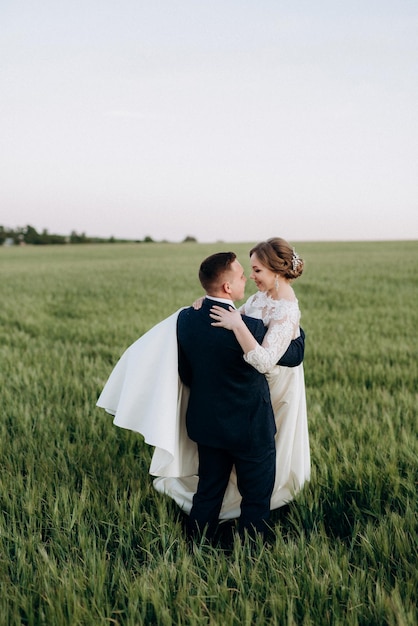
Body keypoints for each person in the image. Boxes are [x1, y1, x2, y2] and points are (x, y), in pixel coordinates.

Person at [176, 251, 302, 540]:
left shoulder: (185, 318)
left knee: (208, 491)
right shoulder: (253, 328)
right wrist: (296, 325)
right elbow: (294, 355)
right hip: (250, 427)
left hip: (207, 423)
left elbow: (186, 372)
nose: (247, 277)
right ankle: (251, 552)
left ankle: (196, 545)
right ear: (228, 288)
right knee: (256, 497)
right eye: (242, 275)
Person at [205, 237, 310, 514]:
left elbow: (264, 360)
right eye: (250, 270)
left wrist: (238, 325)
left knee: (264, 448)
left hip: (276, 386)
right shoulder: (260, 297)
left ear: (276, 271)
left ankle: (264, 505)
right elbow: (232, 315)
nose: (251, 276)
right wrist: (208, 302)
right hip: (251, 387)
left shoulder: (287, 309)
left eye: (257, 270)